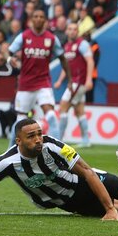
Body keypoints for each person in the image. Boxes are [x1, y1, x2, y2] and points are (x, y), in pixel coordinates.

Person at [7, 9, 72, 147]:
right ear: (31, 19)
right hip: (25, 84)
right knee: (20, 119)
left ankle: (59, 151)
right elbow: (10, 51)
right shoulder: (24, 36)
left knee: (52, 116)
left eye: (41, 16)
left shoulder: (51, 38)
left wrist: (70, 79)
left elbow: (62, 58)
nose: (38, 18)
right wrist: (10, 59)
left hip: (43, 82)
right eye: (35, 16)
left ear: (45, 20)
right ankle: (11, 150)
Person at [54, 23, 94, 148]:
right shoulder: (67, 46)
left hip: (79, 81)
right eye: (70, 29)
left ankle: (59, 140)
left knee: (63, 107)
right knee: (79, 111)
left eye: (75, 29)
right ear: (66, 31)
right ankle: (86, 140)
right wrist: (60, 80)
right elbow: (66, 67)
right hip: (74, 82)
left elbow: (90, 61)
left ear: (78, 31)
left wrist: (89, 80)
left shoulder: (82, 44)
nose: (72, 31)